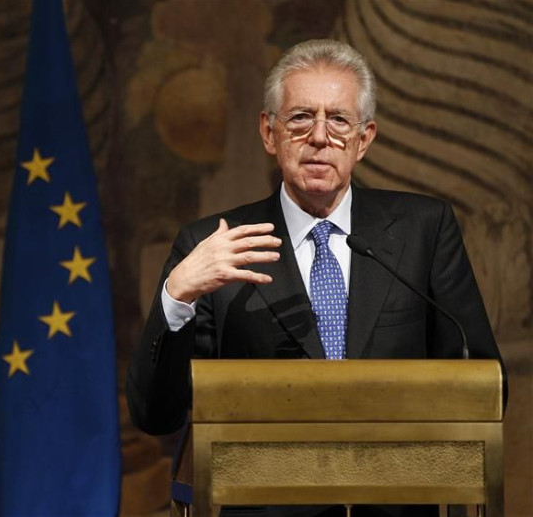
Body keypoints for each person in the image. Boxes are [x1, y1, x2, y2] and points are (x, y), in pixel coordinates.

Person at [126, 39, 505, 517]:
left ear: (365, 139)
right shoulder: (213, 246)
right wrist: (176, 296)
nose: (320, 137)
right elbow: (155, 414)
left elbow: (485, 386)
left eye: (339, 120)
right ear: (269, 133)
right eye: (301, 118)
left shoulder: (422, 231)